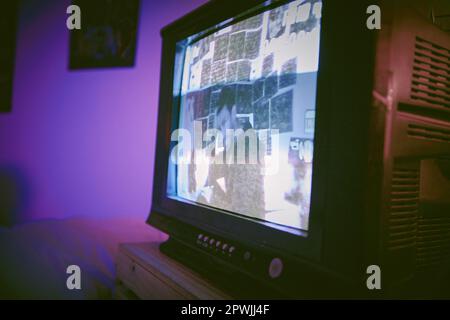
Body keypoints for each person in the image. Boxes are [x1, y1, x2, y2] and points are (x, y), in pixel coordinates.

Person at [197, 86, 266, 220]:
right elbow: (212, 184)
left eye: (224, 122)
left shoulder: (248, 150)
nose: (221, 132)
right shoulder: (228, 152)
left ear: (233, 111)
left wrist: (208, 199)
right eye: (219, 127)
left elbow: (241, 212)